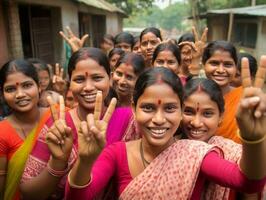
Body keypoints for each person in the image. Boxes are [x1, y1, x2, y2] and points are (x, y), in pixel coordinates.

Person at [63, 66, 266, 199]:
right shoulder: (116, 153)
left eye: (169, 108)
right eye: (148, 108)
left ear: (180, 110)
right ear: (134, 108)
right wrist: (86, 160)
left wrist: (254, 138)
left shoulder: (194, 153)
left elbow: (247, 182)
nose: (159, 119)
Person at [0, 59, 70, 200]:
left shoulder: (60, 115)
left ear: (39, 86)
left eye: (27, 85)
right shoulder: (2, 133)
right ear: (2, 94)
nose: (20, 94)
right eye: (10, 89)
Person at [181, 77, 261, 199]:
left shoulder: (232, 152)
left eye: (207, 113)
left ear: (221, 117)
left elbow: (250, 186)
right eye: (188, 112)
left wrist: (253, 139)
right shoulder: (168, 147)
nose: (196, 123)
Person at [202, 40, 242, 143]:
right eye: (214, 63)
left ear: (235, 67)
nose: (220, 70)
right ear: (204, 64)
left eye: (228, 65)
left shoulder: (244, 96)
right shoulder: (194, 95)